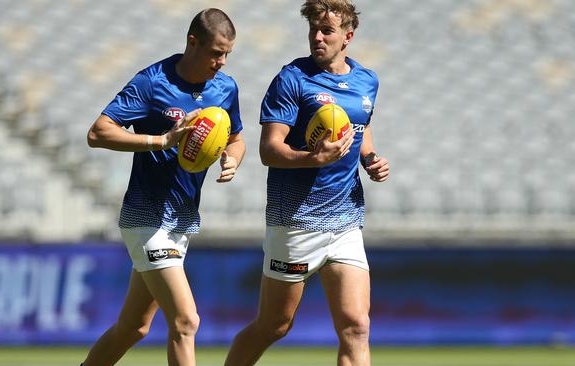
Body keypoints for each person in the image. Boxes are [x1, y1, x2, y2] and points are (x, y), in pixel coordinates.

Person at [224, 1, 389, 365]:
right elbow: (270, 150)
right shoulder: (292, 79)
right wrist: (314, 158)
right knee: (274, 326)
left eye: (326, 31)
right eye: (313, 29)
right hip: (296, 223)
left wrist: (370, 159)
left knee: (356, 327)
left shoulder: (367, 81)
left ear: (348, 36)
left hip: (346, 222)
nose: (317, 37)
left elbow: (360, 129)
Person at [82, 8, 244, 366]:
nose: (221, 61)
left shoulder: (225, 88)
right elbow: (98, 132)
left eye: (227, 54)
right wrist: (161, 140)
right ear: (192, 42)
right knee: (186, 320)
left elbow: (235, 138)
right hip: (146, 218)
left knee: (134, 328)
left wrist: (232, 158)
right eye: (216, 52)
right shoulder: (153, 81)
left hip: (182, 221)